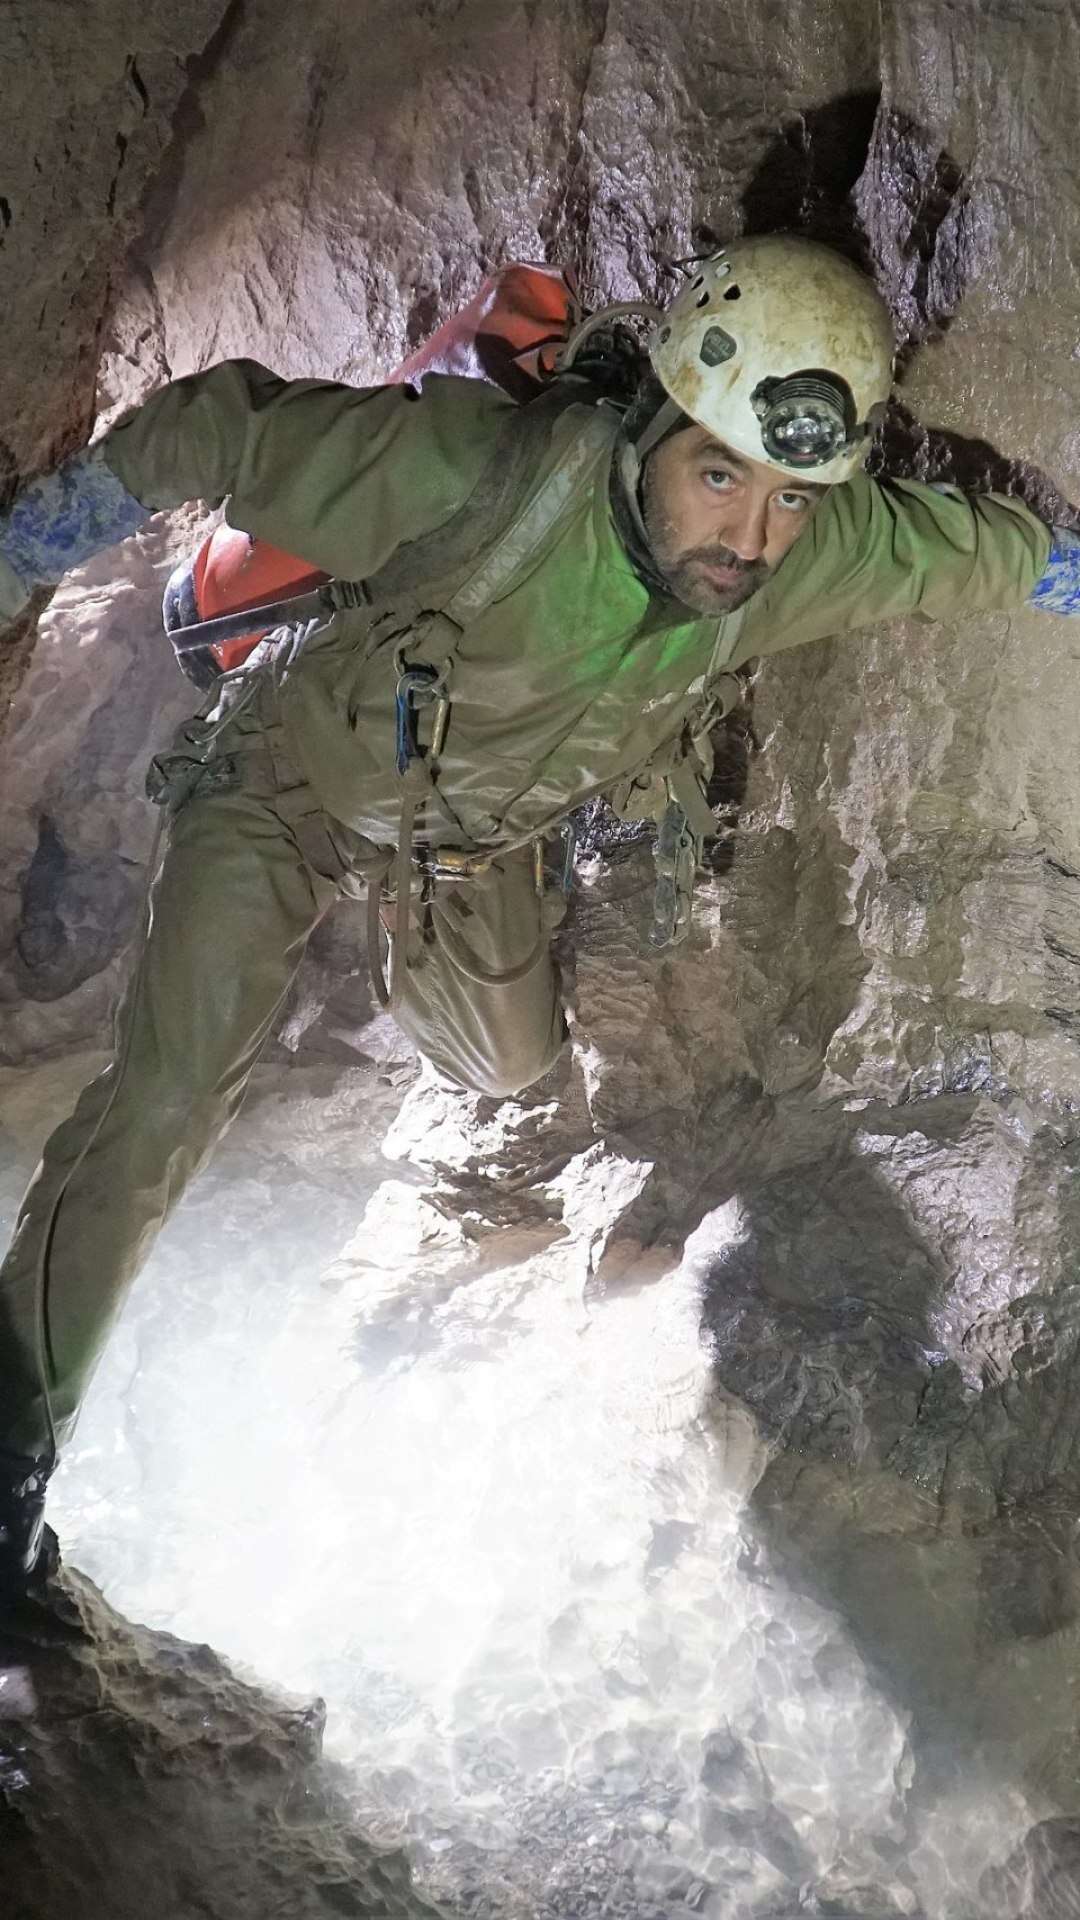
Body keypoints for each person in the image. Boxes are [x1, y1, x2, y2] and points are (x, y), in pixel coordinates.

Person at [0, 234, 1074, 1595]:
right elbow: (219, 422)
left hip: (464, 843)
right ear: (656, 431)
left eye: (794, 497)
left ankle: (408, 983)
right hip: (286, 790)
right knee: (164, 1104)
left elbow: (970, 551)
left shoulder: (798, 554)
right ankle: (16, 1438)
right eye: (722, 477)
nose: (750, 539)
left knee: (511, 1069)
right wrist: (23, 554)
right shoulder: (473, 475)